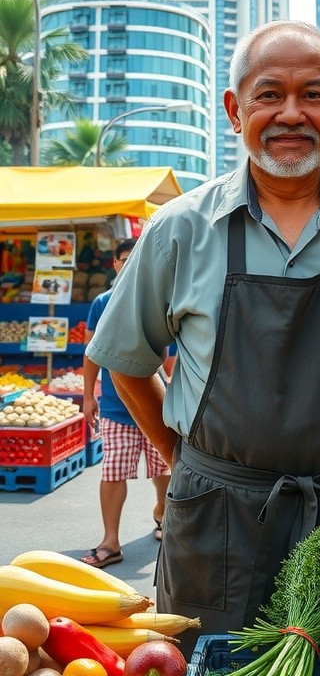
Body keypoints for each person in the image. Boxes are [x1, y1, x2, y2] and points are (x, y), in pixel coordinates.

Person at [86, 19, 320, 644]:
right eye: (269, 94)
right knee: (208, 659)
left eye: (313, 95)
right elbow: (126, 359)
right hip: (213, 521)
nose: (291, 114)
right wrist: (183, 459)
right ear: (236, 111)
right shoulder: (180, 229)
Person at [81, 238, 171, 568]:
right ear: (115, 264)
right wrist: (88, 396)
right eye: (124, 258)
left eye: (136, 257)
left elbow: (168, 356)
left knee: (164, 469)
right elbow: (91, 353)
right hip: (116, 408)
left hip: (155, 404)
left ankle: (163, 513)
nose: (130, 263)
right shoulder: (102, 302)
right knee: (112, 472)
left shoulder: (158, 299)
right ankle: (110, 541)